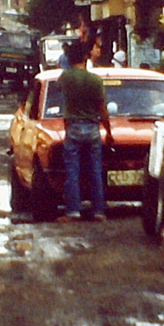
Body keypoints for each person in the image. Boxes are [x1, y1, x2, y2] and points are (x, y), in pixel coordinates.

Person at [55, 39, 113, 221]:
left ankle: (73, 211)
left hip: (73, 128)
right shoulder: (95, 80)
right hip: (92, 128)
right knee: (95, 171)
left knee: (73, 170)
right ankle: (99, 211)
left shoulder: (65, 78)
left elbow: (60, 89)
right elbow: (102, 109)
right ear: (86, 57)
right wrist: (108, 132)